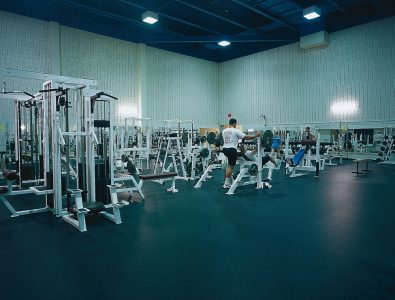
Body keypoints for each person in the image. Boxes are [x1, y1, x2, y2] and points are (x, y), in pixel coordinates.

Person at [222, 118, 261, 189]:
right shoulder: (235, 130)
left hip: (225, 149)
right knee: (231, 167)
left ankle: (229, 181)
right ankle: (226, 183)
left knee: (229, 166)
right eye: (236, 124)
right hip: (232, 150)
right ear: (234, 123)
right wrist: (255, 136)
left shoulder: (224, 131)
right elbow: (246, 137)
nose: (236, 125)